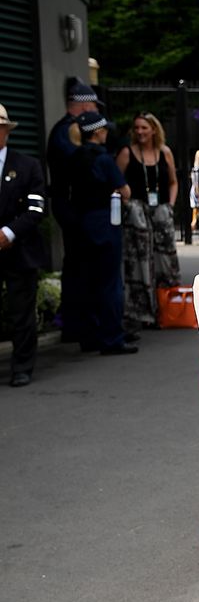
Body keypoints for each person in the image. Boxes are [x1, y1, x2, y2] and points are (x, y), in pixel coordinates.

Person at [69, 112, 136, 357]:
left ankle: (89, 335)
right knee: (110, 283)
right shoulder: (104, 159)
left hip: (81, 223)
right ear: (98, 132)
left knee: (87, 279)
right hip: (105, 223)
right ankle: (111, 338)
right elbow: (125, 191)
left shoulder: (74, 156)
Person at [46, 79, 102, 344]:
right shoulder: (66, 130)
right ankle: (80, 327)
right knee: (81, 267)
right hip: (72, 207)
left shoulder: (65, 129)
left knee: (79, 266)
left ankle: (79, 325)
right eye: (91, 104)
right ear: (82, 104)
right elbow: (79, 165)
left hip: (71, 205)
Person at [117, 112, 180, 326]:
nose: (140, 132)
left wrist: (170, 206)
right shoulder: (127, 153)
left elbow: (173, 181)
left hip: (161, 214)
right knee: (139, 262)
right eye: (137, 128)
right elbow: (117, 182)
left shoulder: (165, 153)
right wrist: (128, 205)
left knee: (164, 260)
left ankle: (167, 309)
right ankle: (140, 313)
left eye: (144, 127)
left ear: (154, 129)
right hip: (137, 216)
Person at [0, 102, 46, 386]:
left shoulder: (27, 165)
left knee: (22, 311)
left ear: (5, 130)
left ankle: (22, 367)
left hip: (19, 250)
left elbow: (37, 207)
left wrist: (9, 232)